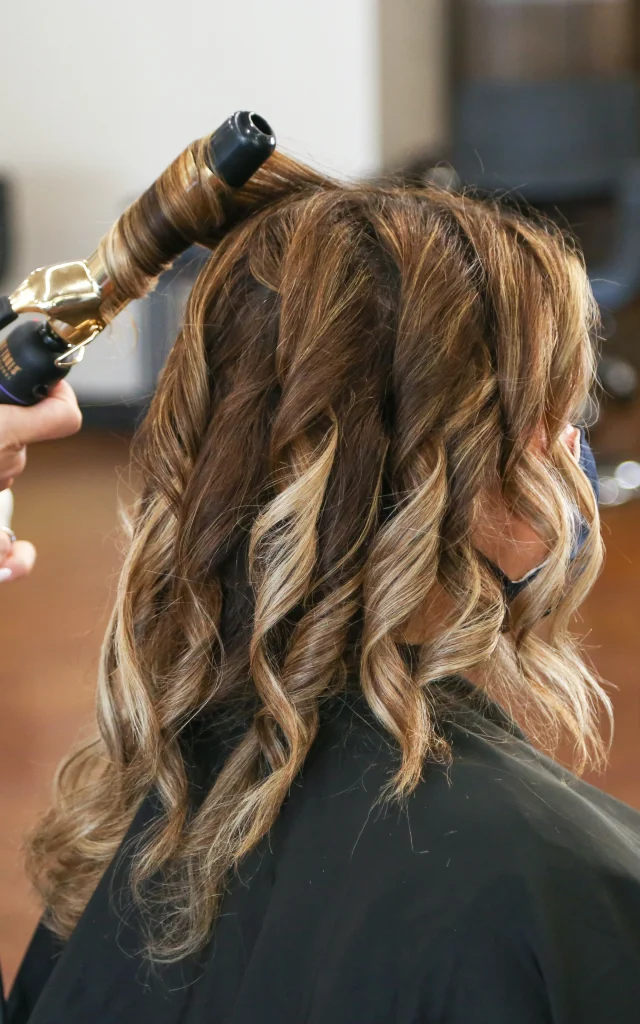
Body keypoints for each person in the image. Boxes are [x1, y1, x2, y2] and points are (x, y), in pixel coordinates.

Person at [5, 163, 640, 1023]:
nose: (569, 449)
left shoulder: (134, 835)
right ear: (470, 470)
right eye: (562, 415)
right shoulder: (578, 885)